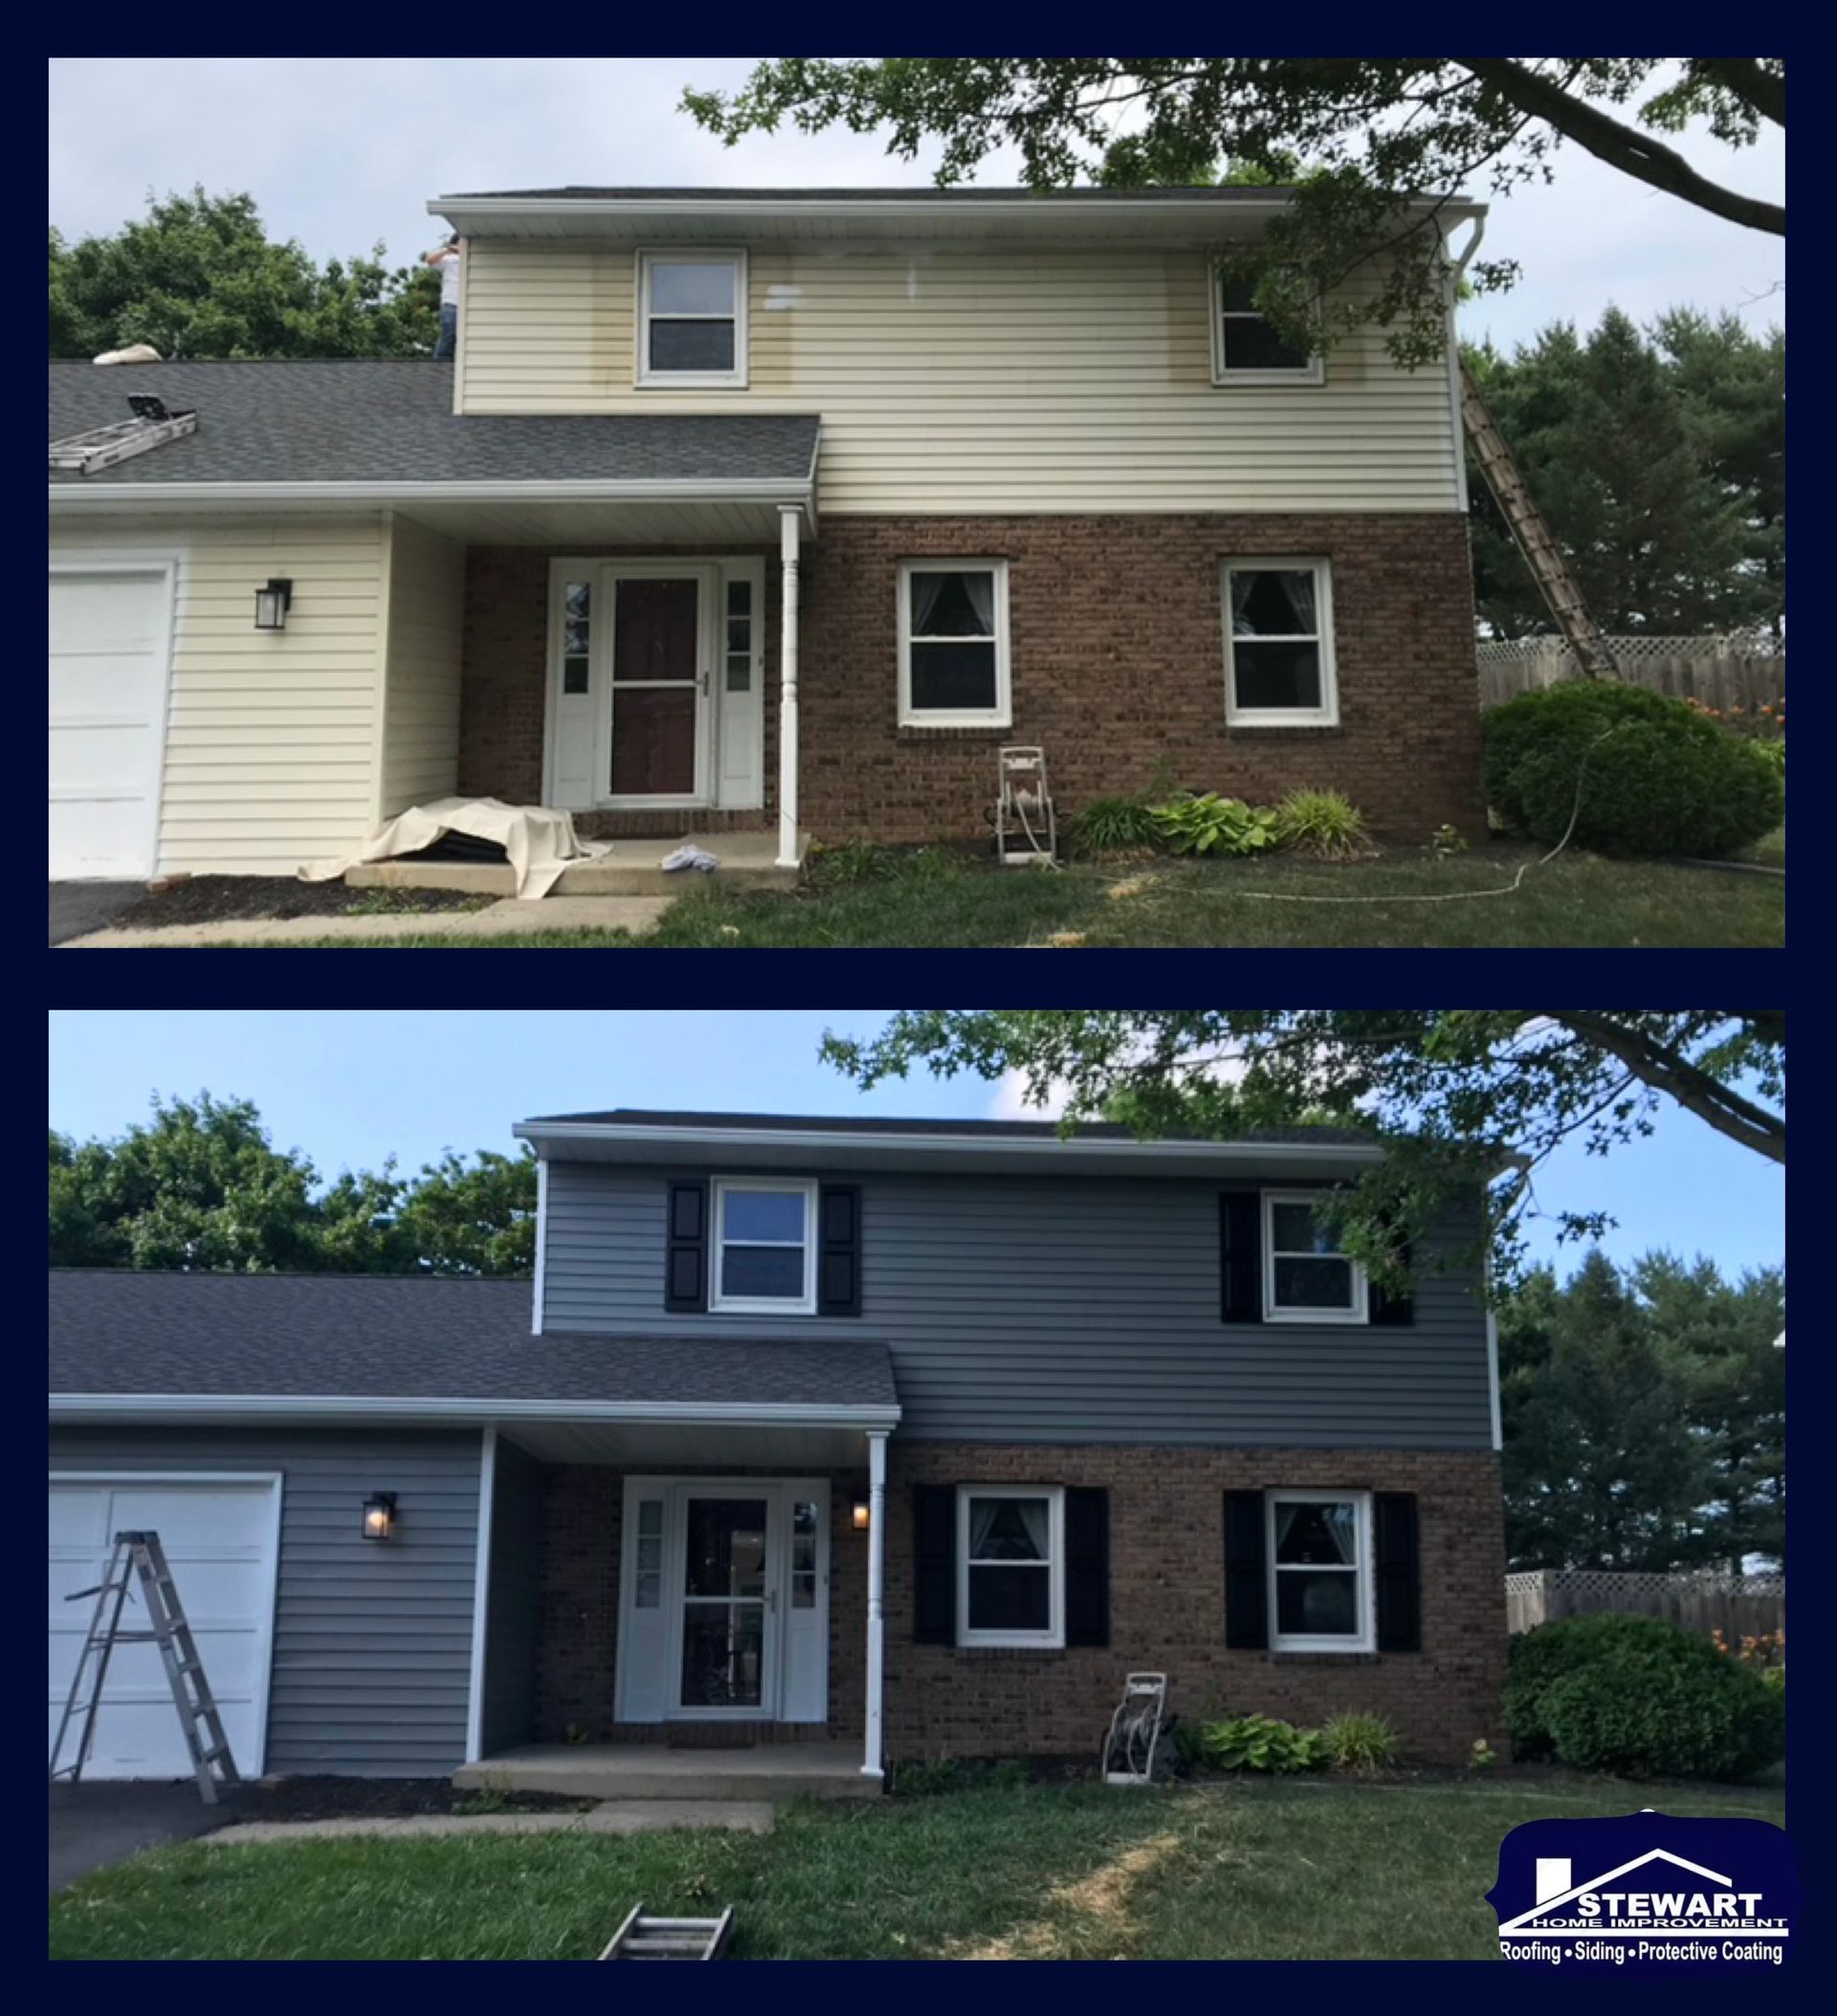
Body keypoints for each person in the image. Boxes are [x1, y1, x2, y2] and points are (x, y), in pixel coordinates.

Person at [425, 234, 463, 360]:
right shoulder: (449, 259)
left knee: (462, 337)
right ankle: (441, 364)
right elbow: (430, 260)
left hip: (466, 303)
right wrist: (448, 249)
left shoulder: (472, 258)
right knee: (448, 334)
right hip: (451, 302)